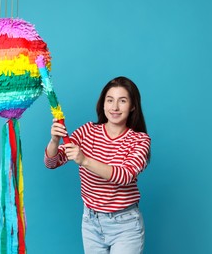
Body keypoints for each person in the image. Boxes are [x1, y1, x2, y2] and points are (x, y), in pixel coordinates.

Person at [44, 76, 151, 254]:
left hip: (125, 225)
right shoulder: (87, 131)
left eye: (122, 101)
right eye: (110, 100)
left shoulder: (140, 140)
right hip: (91, 222)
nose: (114, 107)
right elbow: (51, 162)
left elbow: (125, 176)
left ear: (133, 106)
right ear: (103, 104)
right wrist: (54, 141)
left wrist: (84, 160)